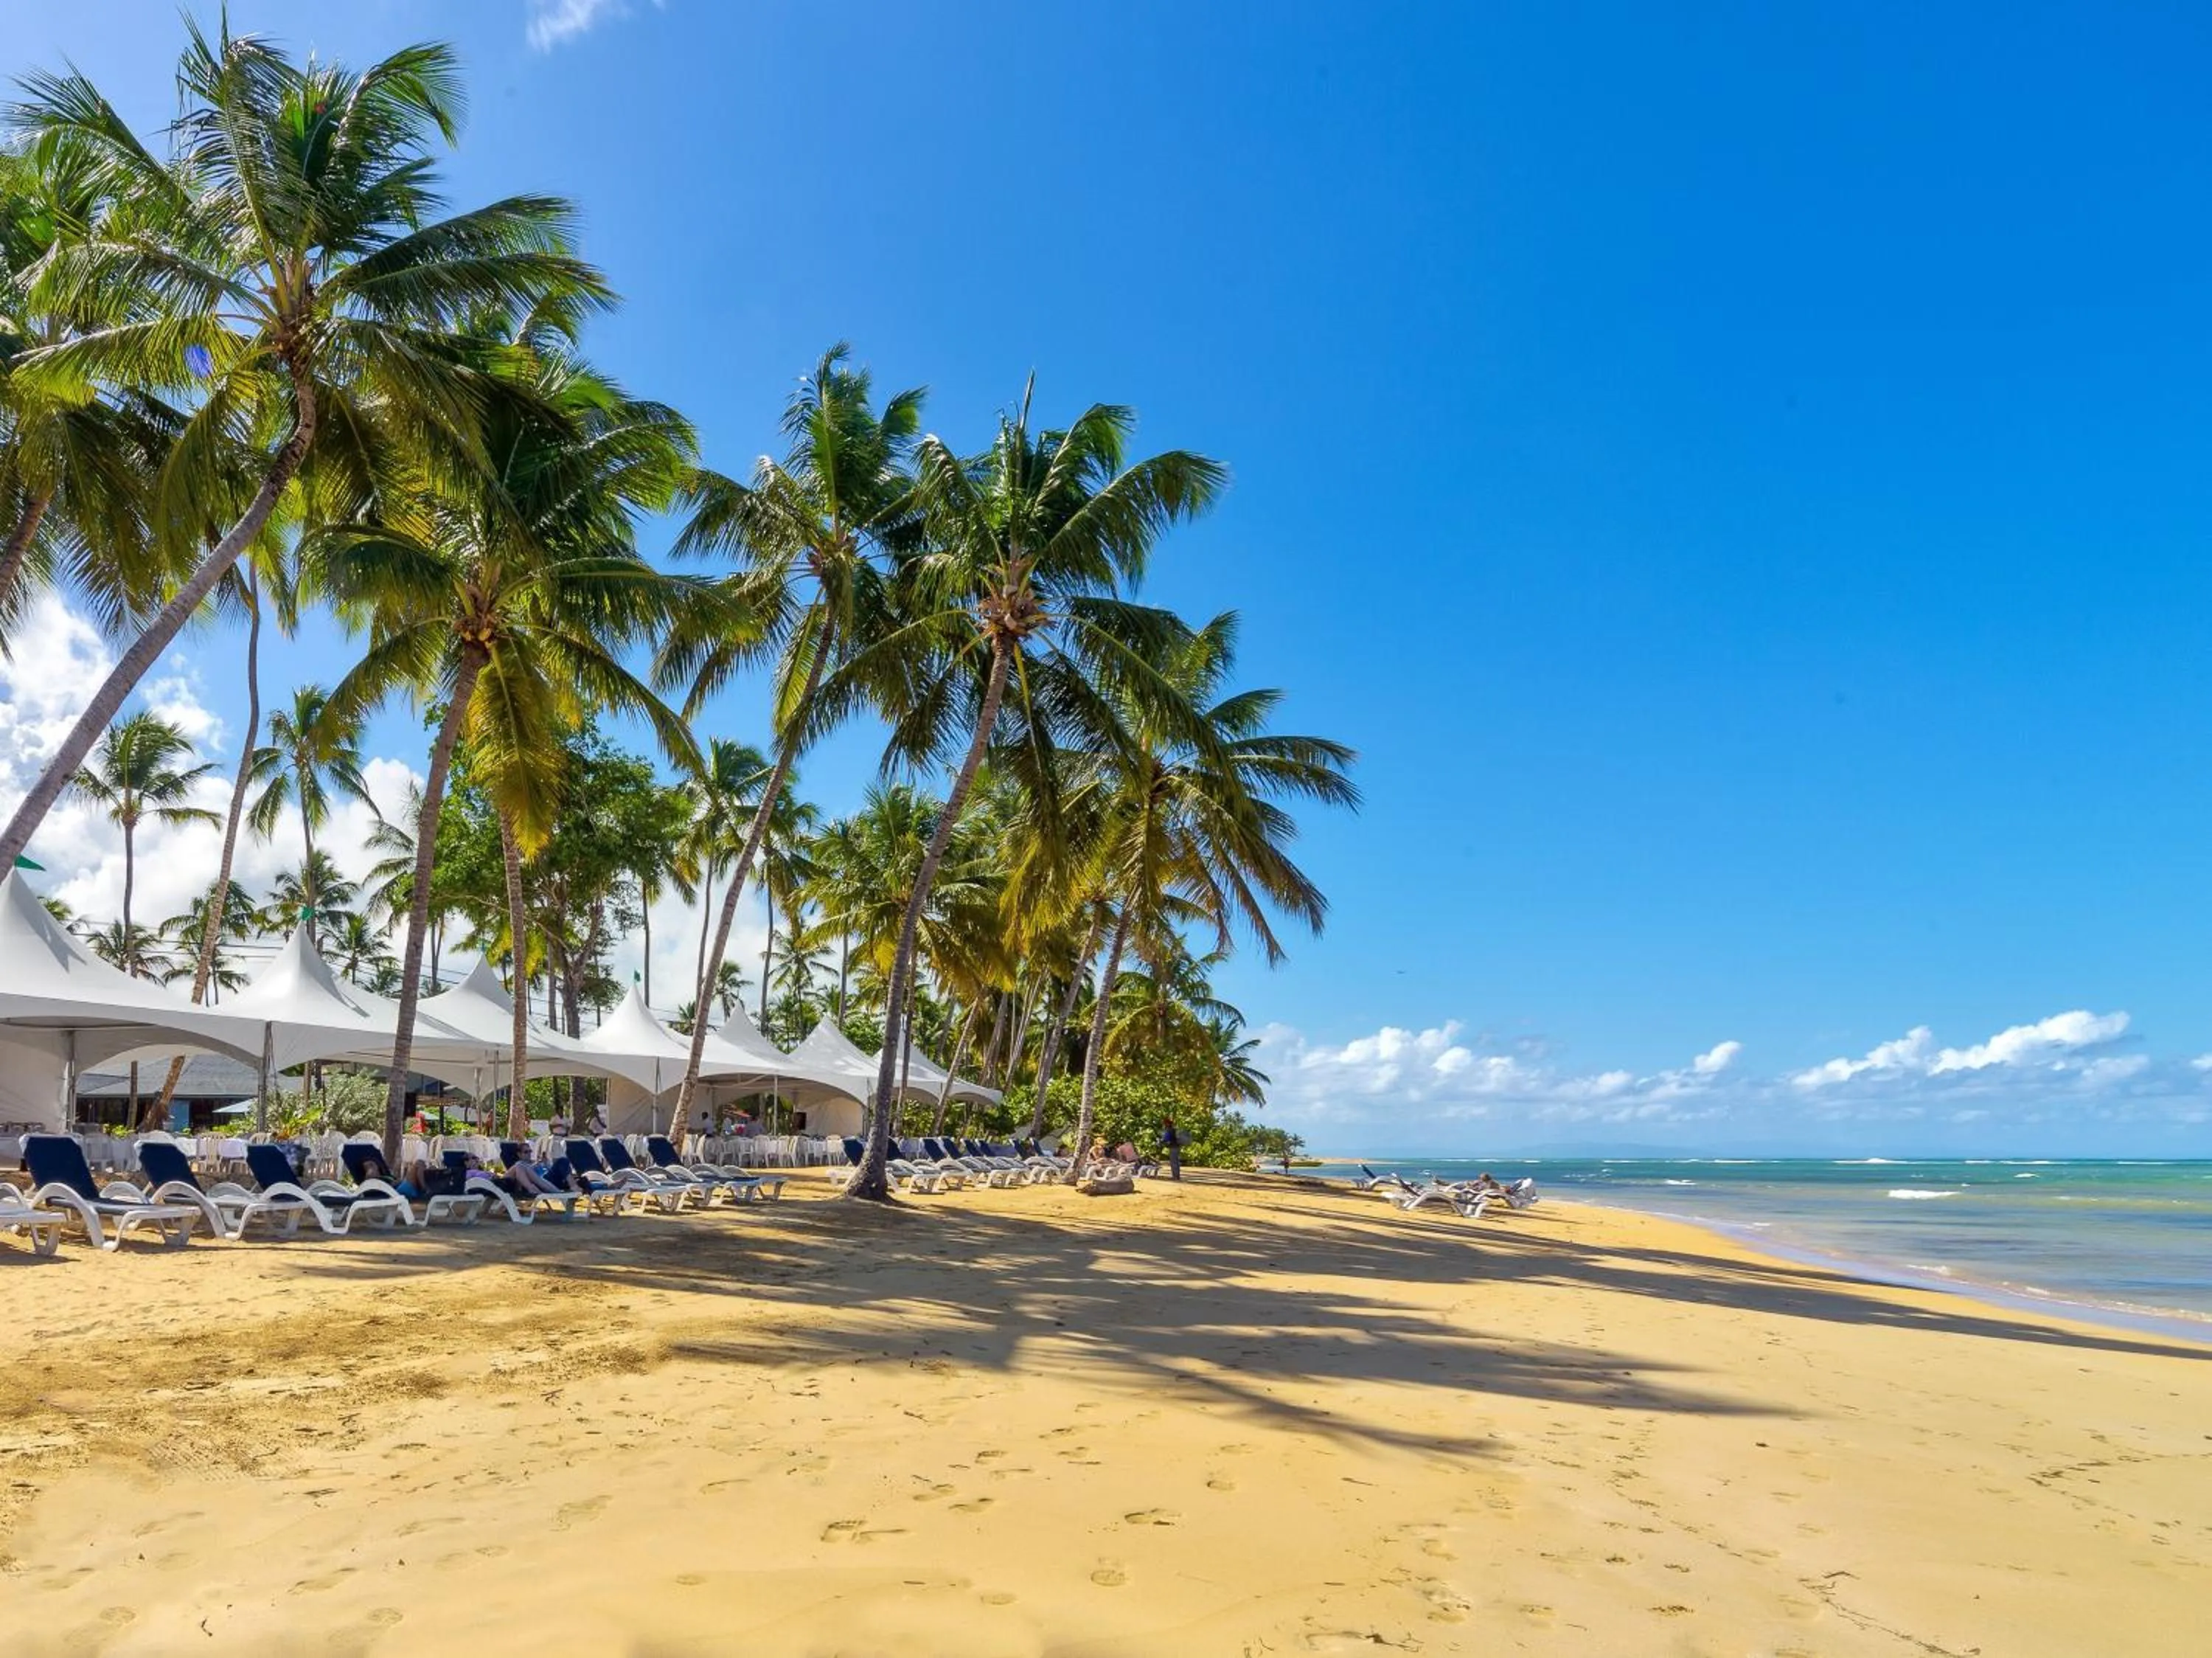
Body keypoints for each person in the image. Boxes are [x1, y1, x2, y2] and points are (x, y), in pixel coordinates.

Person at [1160, 1116, 1183, 1182]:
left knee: (1173, 1162)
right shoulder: (1174, 1129)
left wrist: (1161, 1141)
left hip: (1173, 1147)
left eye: (1164, 1123)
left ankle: (1175, 1177)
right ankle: (1177, 1176)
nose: (1164, 1125)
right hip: (1177, 1147)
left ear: (1167, 1123)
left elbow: (1166, 1139)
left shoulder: (1169, 1130)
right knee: (1176, 1162)